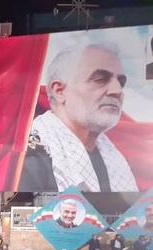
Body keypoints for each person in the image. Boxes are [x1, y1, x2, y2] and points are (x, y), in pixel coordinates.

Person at [18, 41, 138, 193]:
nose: (117, 90)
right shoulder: (27, 158)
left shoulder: (113, 159)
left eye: (121, 82)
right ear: (60, 91)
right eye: (100, 79)